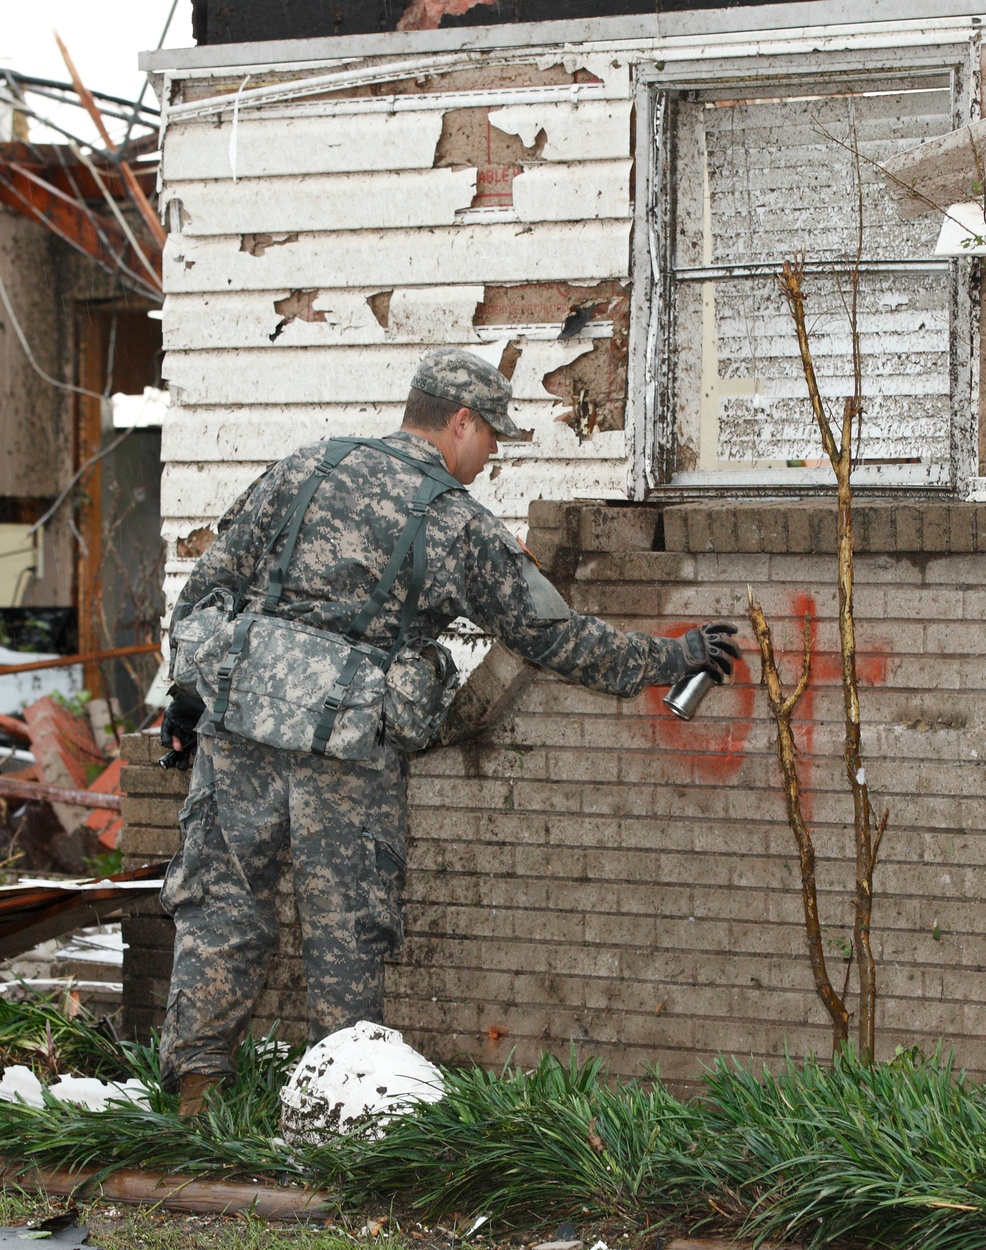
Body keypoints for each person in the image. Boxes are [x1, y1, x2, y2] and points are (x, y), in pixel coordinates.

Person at [157, 347, 741, 1114]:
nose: (490, 458)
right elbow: (552, 637)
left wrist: (190, 696)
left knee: (221, 911)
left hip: (238, 732)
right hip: (346, 752)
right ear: (459, 422)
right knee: (345, 937)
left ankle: (194, 1107)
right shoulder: (452, 521)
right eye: (491, 438)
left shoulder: (305, 468)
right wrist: (675, 656)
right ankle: (341, 1121)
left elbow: (207, 591)